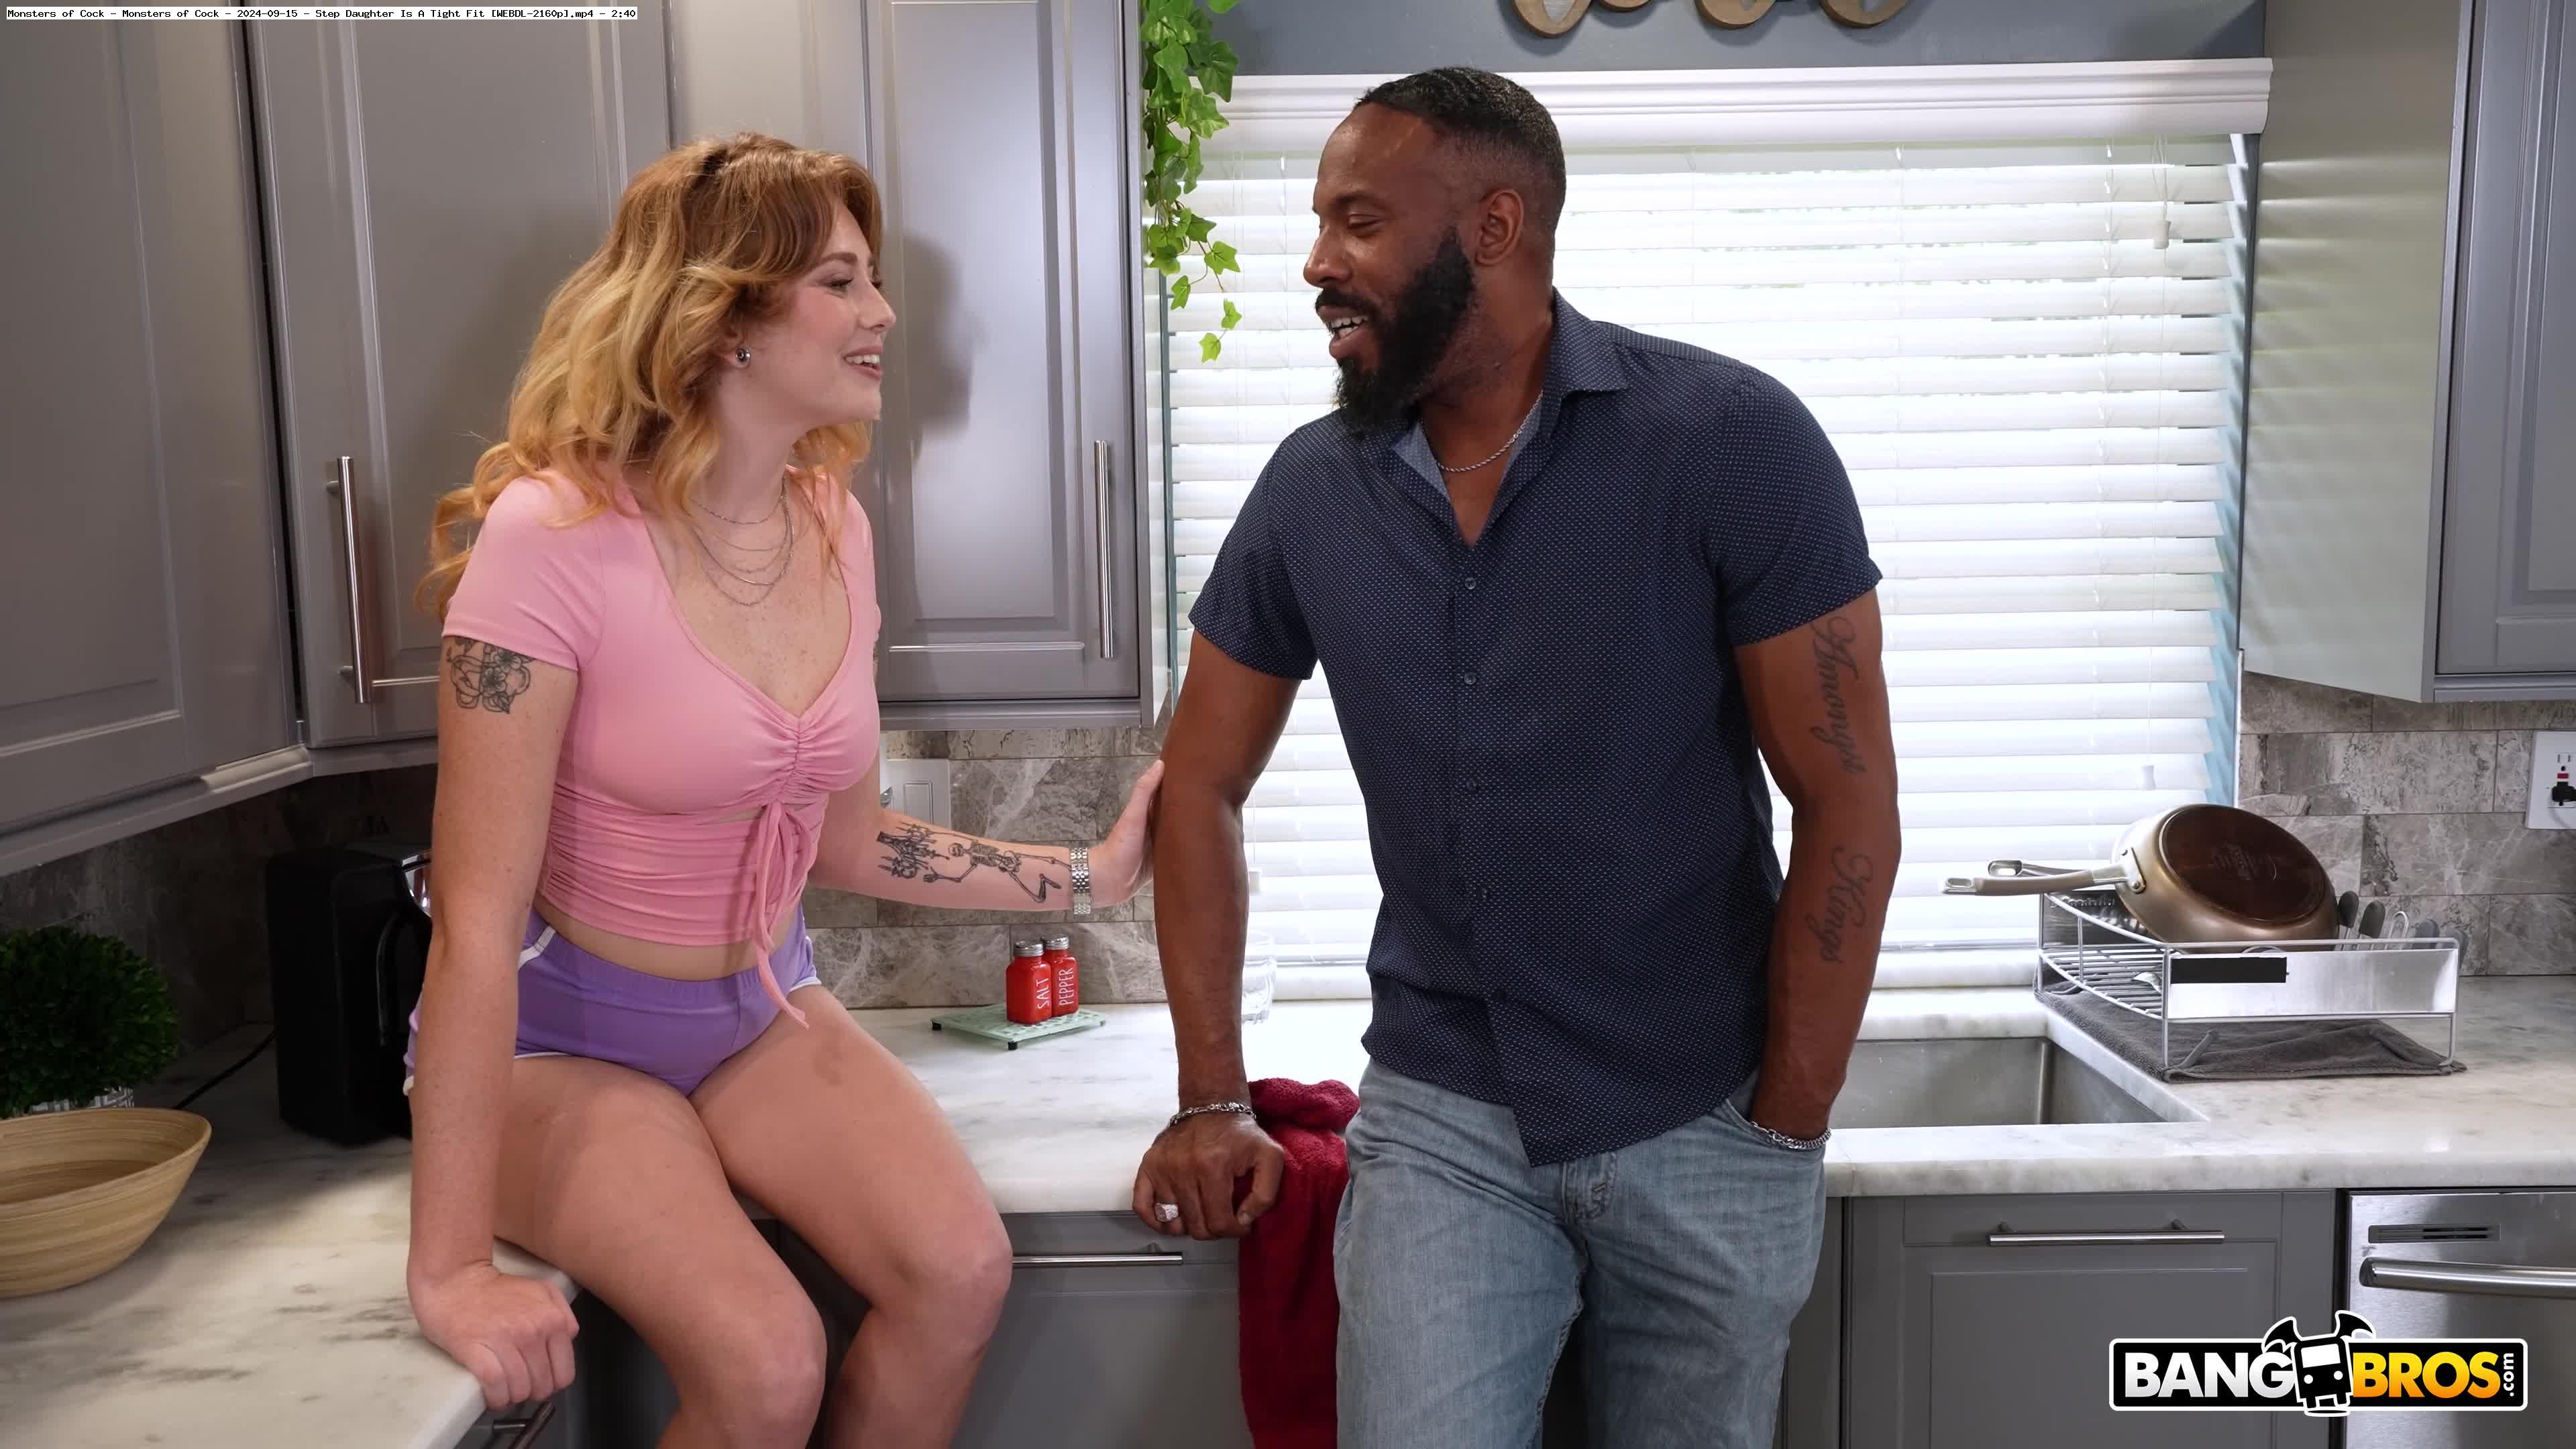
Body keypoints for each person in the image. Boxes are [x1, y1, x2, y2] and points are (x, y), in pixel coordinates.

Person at [1130, 68, 1899, 1448]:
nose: (1318, 263)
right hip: (1445, 1117)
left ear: (1495, 226)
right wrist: (1210, 1095)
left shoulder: (1729, 442)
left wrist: (1786, 1118)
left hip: (1705, 1110)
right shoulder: (1312, 491)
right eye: (1320, 222)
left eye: (1359, 221)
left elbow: (1846, 801)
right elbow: (1198, 788)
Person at [403, 133, 1162, 1449]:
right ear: (725, 319)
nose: (883, 314)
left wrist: (1088, 876)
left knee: (960, 1274)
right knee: (765, 1365)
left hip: (759, 1010)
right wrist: (453, 1267)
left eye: (873, 280)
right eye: (839, 283)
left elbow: (848, 842)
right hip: (556, 1043)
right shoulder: (551, 539)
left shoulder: (832, 530)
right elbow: (474, 925)